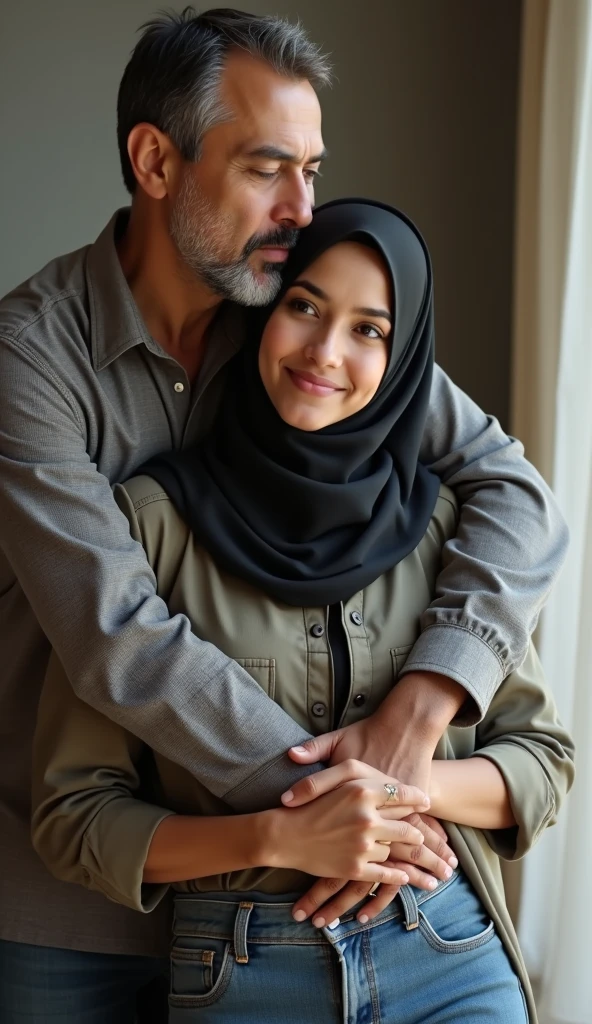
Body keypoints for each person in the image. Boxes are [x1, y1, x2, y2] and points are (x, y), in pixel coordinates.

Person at [0, 8, 567, 1021]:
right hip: (70, 902)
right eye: (270, 168)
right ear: (155, 161)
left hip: (285, 899)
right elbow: (118, 638)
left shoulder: (291, 316)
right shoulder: (29, 363)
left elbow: (515, 490)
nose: (304, 209)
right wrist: (349, 800)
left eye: (313, 169)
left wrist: (419, 710)